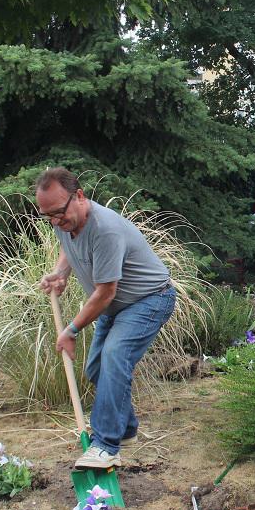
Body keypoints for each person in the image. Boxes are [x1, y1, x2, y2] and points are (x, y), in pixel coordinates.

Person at [36, 167, 176, 469]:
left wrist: (71, 330)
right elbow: (68, 245)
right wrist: (60, 274)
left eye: (59, 212)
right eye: (48, 216)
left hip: (149, 299)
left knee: (114, 355)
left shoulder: (105, 229)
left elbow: (105, 292)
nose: (56, 222)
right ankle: (125, 429)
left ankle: (106, 445)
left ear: (80, 196)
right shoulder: (63, 219)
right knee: (98, 367)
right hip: (117, 306)